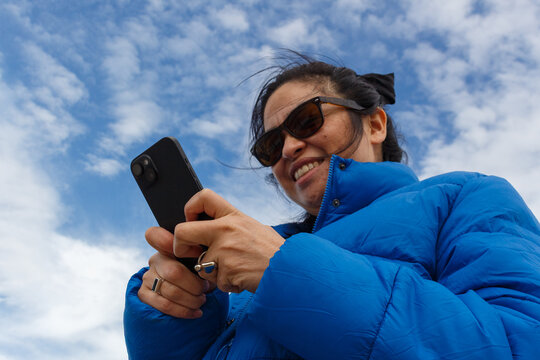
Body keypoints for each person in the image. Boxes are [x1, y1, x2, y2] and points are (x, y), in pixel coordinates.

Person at [123, 55, 540, 359]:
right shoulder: (243, 265)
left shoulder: (464, 197)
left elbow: (519, 343)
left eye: (307, 120)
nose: (288, 147)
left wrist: (284, 271)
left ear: (375, 124)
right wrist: (174, 313)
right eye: (271, 145)